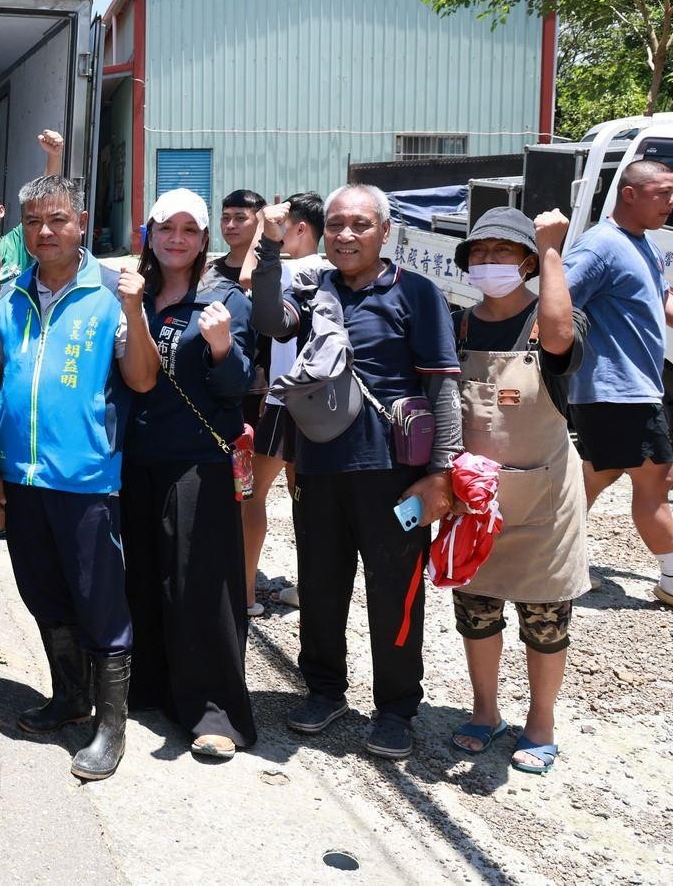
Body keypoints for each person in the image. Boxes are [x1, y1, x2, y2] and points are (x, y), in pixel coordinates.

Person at [252, 184, 462, 760]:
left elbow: (443, 386)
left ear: (384, 232)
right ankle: (324, 690)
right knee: (320, 585)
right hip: (319, 465)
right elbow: (269, 319)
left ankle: (396, 709)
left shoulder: (416, 293)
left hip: (396, 472)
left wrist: (442, 474)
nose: (345, 235)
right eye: (336, 224)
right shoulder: (314, 289)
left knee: (395, 593)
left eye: (360, 225)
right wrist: (269, 247)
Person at [0, 175, 145, 780]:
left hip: (85, 476)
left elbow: (141, 378)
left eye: (57, 219)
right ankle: (70, 697)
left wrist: (135, 311)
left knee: (99, 602)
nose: (44, 232)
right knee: (42, 592)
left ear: (81, 222)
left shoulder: (109, 292)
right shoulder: (10, 294)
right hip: (21, 475)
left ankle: (111, 726)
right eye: (32, 221)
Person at [446, 207, 591, 775]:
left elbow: (558, 341)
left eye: (503, 252)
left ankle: (541, 722)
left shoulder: (551, 316)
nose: (489, 262)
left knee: (545, 619)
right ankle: (485, 711)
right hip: (474, 502)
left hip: (544, 503)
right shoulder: (458, 326)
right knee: (476, 611)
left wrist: (553, 249)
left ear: (528, 262)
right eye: (479, 253)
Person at [122, 187, 258, 760]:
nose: (176, 239)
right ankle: (150, 688)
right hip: (136, 456)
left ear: (204, 240)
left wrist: (223, 347)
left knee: (198, 585)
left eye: (188, 230)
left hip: (198, 461)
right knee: (143, 577)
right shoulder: (136, 293)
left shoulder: (224, 299)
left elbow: (239, 386)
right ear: (149, 233)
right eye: (165, 228)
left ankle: (214, 711)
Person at [563, 158, 673, 608]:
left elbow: (660, 305)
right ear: (630, 194)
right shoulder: (600, 246)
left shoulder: (644, 245)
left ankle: (553, 556)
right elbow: (557, 300)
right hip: (617, 391)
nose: (671, 202)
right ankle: (672, 580)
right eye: (663, 193)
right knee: (656, 481)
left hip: (628, 388)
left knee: (597, 475)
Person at [242, 192, 325, 615]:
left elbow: (247, 278)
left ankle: (244, 594)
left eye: (283, 224)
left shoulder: (292, 270)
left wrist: (263, 228)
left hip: (284, 397)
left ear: (300, 228)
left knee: (250, 495)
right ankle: (310, 590)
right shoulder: (330, 271)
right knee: (306, 499)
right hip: (320, 404)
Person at [0, 128, 64, 347]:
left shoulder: (17, 242)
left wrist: (54, 156)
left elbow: (43, 201)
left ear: (2, 211)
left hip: (16, 341)